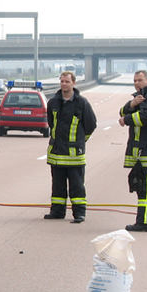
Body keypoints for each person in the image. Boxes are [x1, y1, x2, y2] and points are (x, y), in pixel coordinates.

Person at [44, 71, 97, 223]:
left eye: (67, 81)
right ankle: (57, 211)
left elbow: (91, 125)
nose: (64, 84)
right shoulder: (53, 102)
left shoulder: (82, 103)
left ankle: (79, 213)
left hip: (74, 155)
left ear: (73, 83)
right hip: (56, 153)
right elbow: (51, 123)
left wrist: (80, 141)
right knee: (57, 186)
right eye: (62, 81)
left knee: (77, 186)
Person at [119, 70, 147, 232]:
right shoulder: (139, 98)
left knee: (146, 189)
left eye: (140, 80)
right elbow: (122, 112)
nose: (137, 83)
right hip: (144, 151)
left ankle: (144, 222)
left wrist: (128, 119)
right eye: (135, 80)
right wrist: (131, 106)